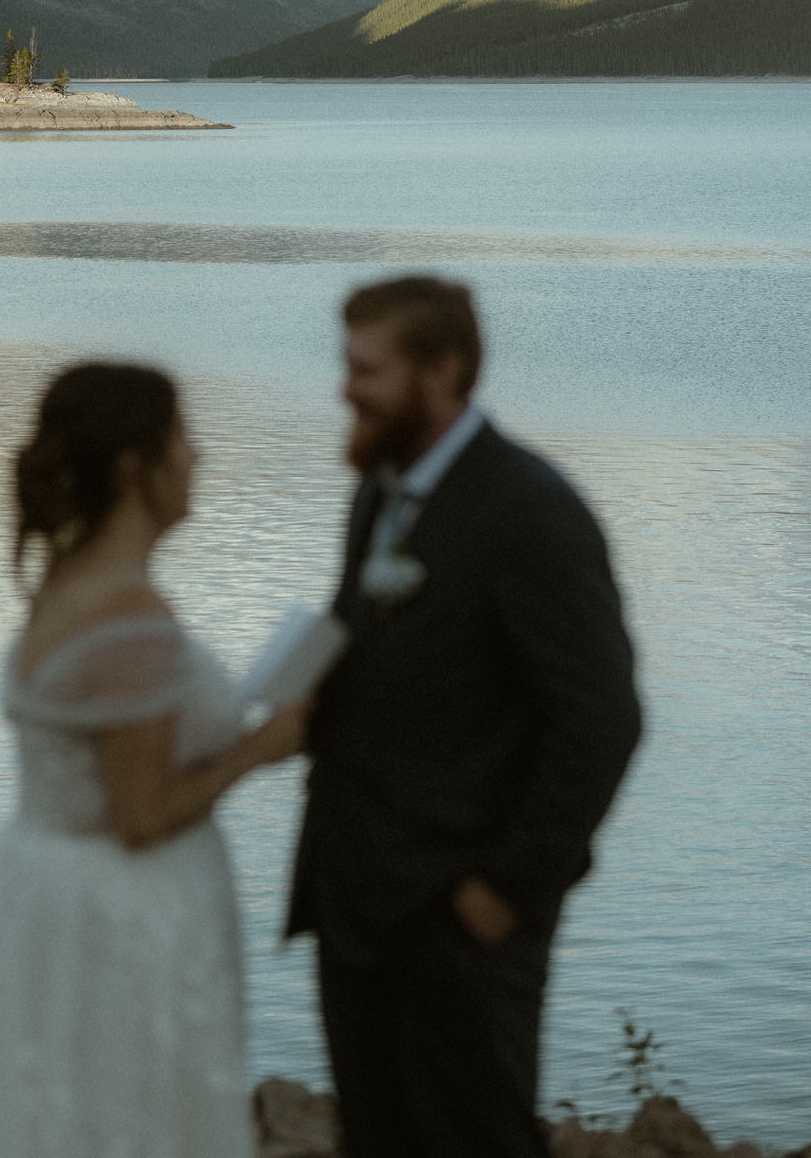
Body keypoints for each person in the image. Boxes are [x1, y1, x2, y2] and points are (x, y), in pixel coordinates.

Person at [0, 361, 306, 1158]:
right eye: (180, 437)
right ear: (132, 465)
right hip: (117, 916)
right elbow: (140, 817)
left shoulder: (66, 584)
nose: (198, 456)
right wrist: (262, 747)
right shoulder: (131, 618)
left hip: (37, 894)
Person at [287, 275, 642, 1158]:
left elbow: (601, 718)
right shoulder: (382, 489)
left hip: (459, 916)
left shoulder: (531, 512)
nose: (345, 389)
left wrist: (505, 891)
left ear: (443, 370)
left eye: (366, 370)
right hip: (358, 904)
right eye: (346, 364)